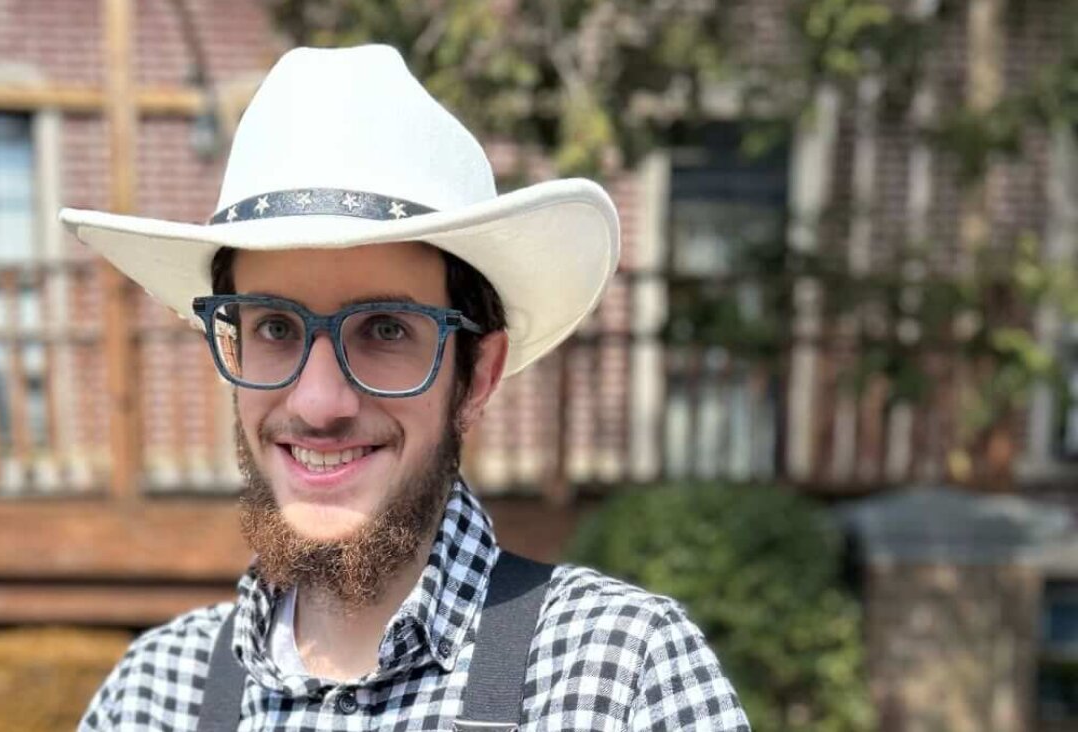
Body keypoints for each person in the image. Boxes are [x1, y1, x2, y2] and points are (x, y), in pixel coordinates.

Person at [63, 44, 749, 732]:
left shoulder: (619, 678)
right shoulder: (153, 696)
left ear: (476, 374)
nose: (317, 401)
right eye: (276, 327)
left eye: (386, 330)